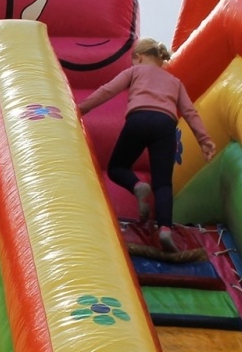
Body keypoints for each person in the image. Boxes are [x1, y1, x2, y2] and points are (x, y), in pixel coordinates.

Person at [76, 38, 216, 252]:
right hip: (166, 125)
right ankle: (165, 230)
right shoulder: (175, 82)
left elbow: (107, 91)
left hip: (139, 119)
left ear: (139, 57)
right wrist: (204, 141)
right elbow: (190, 112)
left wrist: (80, 110)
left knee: (116, 167)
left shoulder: (136, 72)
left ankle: (136, 186)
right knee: (163, 183)